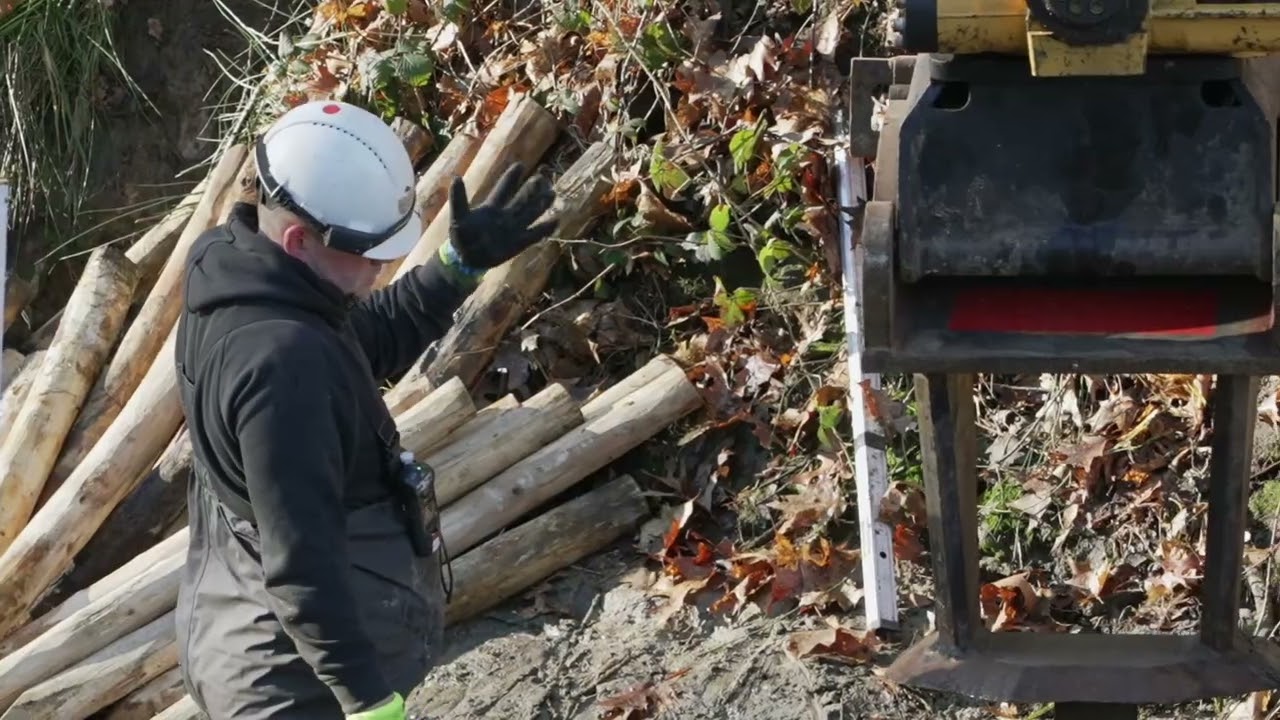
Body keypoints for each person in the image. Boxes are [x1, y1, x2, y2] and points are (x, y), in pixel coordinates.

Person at [173, 100, 558, 720]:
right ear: (299, 240)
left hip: (247, 626)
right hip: (293, 686)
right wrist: (368, 703)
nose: (383, 264)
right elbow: (301, 569)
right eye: (370, 252)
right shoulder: (283, 367)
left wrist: (457, 267)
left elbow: (358, 341)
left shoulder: (239, 268)